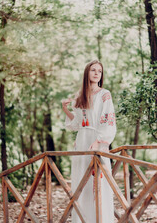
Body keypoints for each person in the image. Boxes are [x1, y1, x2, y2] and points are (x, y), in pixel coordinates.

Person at [62, 60, 116, 223]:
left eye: (99, 71)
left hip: (97, 141)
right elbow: (78, 123)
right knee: (81, 183)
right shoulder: (81, 96)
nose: (96, 73)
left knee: (97, 182)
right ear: (87, 73)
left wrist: (99, 141)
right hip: (82, 141)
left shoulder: (104, 94)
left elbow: (108, 120)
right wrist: (66, 110)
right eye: (93, 70)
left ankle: (100, 219)